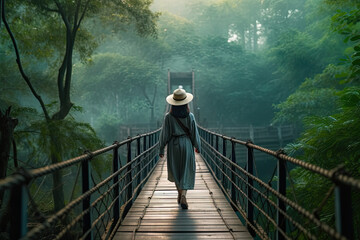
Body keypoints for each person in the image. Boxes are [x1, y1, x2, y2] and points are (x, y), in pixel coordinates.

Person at [159, 88, 201, 209]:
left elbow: (164, 134)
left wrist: (161, 149)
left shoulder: (168, 117)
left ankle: (179, 193)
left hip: (173, 145)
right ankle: (183, 195)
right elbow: (194, 132)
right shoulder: (190, 116)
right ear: (186, 103)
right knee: (186, 170)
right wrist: (198, 146)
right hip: (187, 144)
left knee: (176, 170)